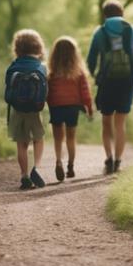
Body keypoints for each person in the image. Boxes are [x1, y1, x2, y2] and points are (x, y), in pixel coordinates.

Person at [86, 0, 133, 174]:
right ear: (122, 13)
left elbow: (91, 60)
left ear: (104, 14)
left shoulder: (99, 32)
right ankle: (118, 161)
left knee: (106, 122)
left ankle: (109, 158)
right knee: (120, 123)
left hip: (106, 82)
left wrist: (96, 77)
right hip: (126, 83)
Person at [5, 29, 48, 190]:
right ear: (38, 46)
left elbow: (8, 89)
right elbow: (46, 90)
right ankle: (36, 167)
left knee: (21, 143)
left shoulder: (13, 66)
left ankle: (24, 175)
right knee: (38, 138)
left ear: (18, 47)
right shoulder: (41, 67)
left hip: (17, 109)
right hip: (35, 110)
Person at [47, 36, 94, 182]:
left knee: (57, 138)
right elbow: (85, 92)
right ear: (74, 53)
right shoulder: (79, 72)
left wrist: (47, 103)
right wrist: (89, 109)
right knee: (71, 138)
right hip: (73, 107)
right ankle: (70, 166)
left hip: (56, 106)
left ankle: (58, 162)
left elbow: (47, 92)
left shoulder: (51, 72)